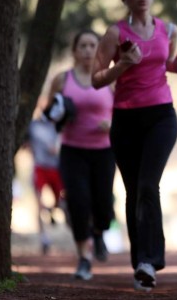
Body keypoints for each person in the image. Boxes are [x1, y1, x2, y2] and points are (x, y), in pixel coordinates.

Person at [91, 0, 177, 292]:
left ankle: (149, 261)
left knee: (148, 185)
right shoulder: (114, 34)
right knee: (135, 190)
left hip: (161, 116)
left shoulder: (168, 29)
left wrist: (176, 66)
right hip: (126, 119)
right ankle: (141, 264)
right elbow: (96, 78)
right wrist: (123, 65)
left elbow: (165, 62)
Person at [47, 30, 116, 280]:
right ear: (75, 51)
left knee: (104, 205)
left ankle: (98, 232)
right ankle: (84, 258)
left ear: (99, 49)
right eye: (83, 46)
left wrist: (111, 123)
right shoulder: (62, 80)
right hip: (72, 150)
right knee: (77, 202)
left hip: (104, 151)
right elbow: (49, 112)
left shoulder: (109, 78)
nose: (88, 50)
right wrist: (60, 117)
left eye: (92, 45)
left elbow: (123, 109)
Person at [26, 109, 65, 255]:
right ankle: (44, 238)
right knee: (38, 202)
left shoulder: (57, 125)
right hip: (39, 167)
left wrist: (57, 148)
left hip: (55, 168)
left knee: (59, 202)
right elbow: (27, 143)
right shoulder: (33, 125)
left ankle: (51, 211)